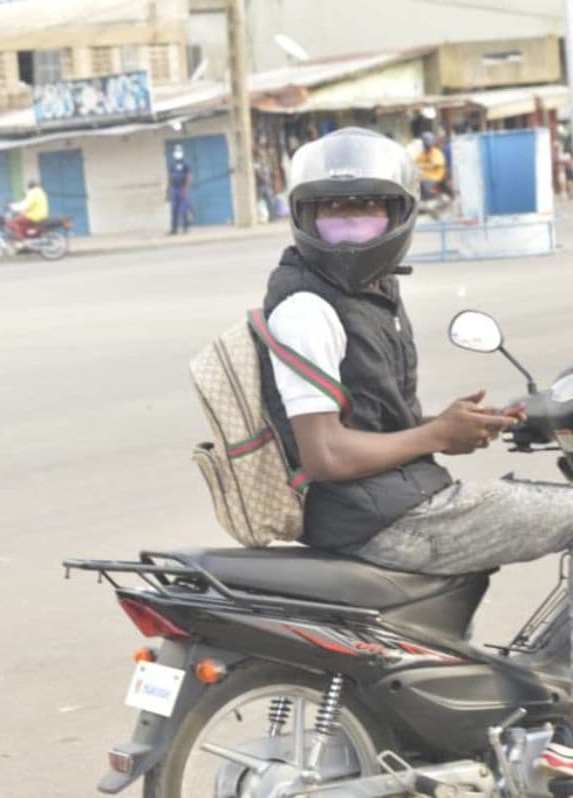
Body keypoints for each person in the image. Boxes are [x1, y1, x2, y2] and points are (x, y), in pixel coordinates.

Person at [261, 126, 573, 771]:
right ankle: (561, 709)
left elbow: (369, 421)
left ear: (398, 215)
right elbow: (326, 455)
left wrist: (458, 426)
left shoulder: (364, 295)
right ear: (305, 215)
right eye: (334, 212)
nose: (350, 228)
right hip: (392, 522)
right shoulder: (308, 309)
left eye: (366, 212)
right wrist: (434, 436)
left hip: (391, 501)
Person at [167, 144, 192, 234]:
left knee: (184, 208)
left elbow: (189, 176)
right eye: (176, 151)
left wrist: (186, 188)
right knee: (174, 209)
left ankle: (185, 228)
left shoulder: (185, 163)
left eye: (179, 151)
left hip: (182, 187)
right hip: (174, 188)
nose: (178, 152)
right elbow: (170, 176)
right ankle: (174, 229)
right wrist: (169, 190)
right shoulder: (172, 163)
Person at [414, 131, 447, 197]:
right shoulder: (422, 153)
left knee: (424, 184)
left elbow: (435, 165)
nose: (427, 147)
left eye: (428, 144)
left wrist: (421, 166)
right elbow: (414, 163)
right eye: (426, 145)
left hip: (435, 178)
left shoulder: (436, 153)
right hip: (424, 178)